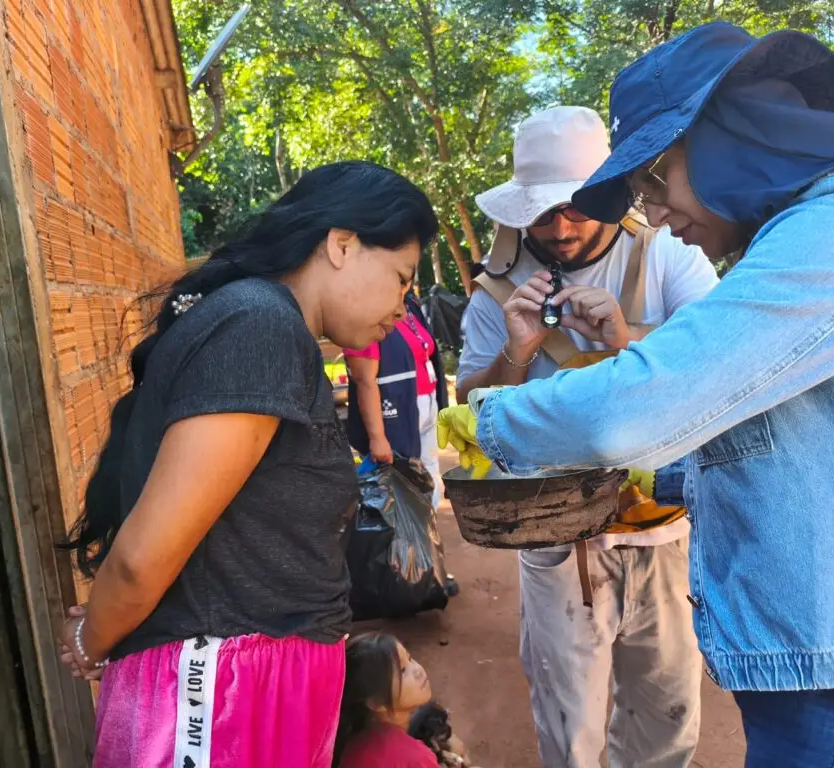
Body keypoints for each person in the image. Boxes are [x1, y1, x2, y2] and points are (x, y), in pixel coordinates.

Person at [438, 23, 834, 767]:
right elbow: (790, 436)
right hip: (829, 657)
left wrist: (488, 423)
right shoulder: (809, 236)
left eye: (654, 182)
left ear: (723, 142)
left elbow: (632, 407)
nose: (656, 213)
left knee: (662, 714)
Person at [56, 161, 437, 768]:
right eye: (401, 277)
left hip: (249, 686)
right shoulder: (260, 327)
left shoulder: (268, 327)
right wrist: (89, 640)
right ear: (342, 245)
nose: (403, 306)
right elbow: (141, 559)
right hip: (220, 693)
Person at [457, 105, 717, 768]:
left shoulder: (672, 254)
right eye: (543, 212)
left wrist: (629, 342)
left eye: (576, 206)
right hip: (554, 537)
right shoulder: (495, 290)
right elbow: (470, 409)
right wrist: (518, 351)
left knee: (669, 724)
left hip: (664, 530)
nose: (561, 225)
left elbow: (721, 363)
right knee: (570, 733)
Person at [345, 291, 448, 508]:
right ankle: (406, 541)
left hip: (425, 403)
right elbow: (364, 380)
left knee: (429, 476)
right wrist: (377, 437)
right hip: (395, 412)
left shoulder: (410, 306)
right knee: (402, 487)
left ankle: (427, 535)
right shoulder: (366, 312)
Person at [335, 633, 440, 768]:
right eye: (403, 670)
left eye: (410, 659)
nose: (417, 670)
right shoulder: (414, 759)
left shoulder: (354, 737)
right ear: (375, 702)